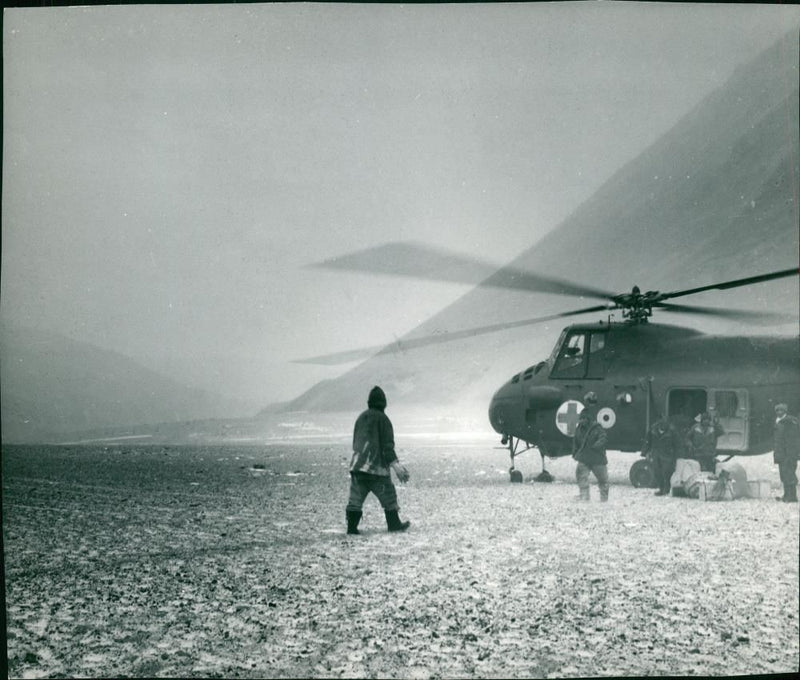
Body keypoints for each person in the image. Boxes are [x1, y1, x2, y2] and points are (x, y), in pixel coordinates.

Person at [345, 386, 411, 534]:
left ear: (369, 402)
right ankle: (394, 524)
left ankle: (351, 527)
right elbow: (387, 447)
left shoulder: (361, 418)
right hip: (377, 469)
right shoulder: (384, 420)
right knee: (389, 496)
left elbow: (356, 442)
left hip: (358, 467)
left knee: (355, 500)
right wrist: (396, 466)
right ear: (384, 403)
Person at [572, 392, 609, 501]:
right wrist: (576, 452)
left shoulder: (596, 427)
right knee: (584, 477)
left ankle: (601, 499)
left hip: (592, 457)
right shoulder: (584, 428)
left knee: (601, 479)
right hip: (592, 457)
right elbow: (577, 440)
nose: (582, 420)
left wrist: (593, 447)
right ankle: (586, 497)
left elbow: (603, 438)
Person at [644, 415, 682, 496]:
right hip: (656, 453)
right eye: (661, 423)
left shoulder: (672, 431)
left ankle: (667, 488)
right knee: (656, 471)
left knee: (667, 471)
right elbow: (648, 441)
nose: (662, 425)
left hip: (667, 454)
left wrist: (678, 455)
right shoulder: (653, 430)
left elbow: (677, 444)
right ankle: (661, 488)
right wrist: (645, 452)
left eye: (664, 423)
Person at [773, 403, 799, 503]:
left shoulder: (789, 422)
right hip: (782, 454)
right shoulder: (779, 422)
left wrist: (790, 454)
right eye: (777, 410)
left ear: (785, 411)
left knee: (790, 474)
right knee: (784, 475)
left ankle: (792, 497)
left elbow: (791, 440)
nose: (779, 412)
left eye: (781, 410)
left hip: (788, 454)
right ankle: (787, 495)